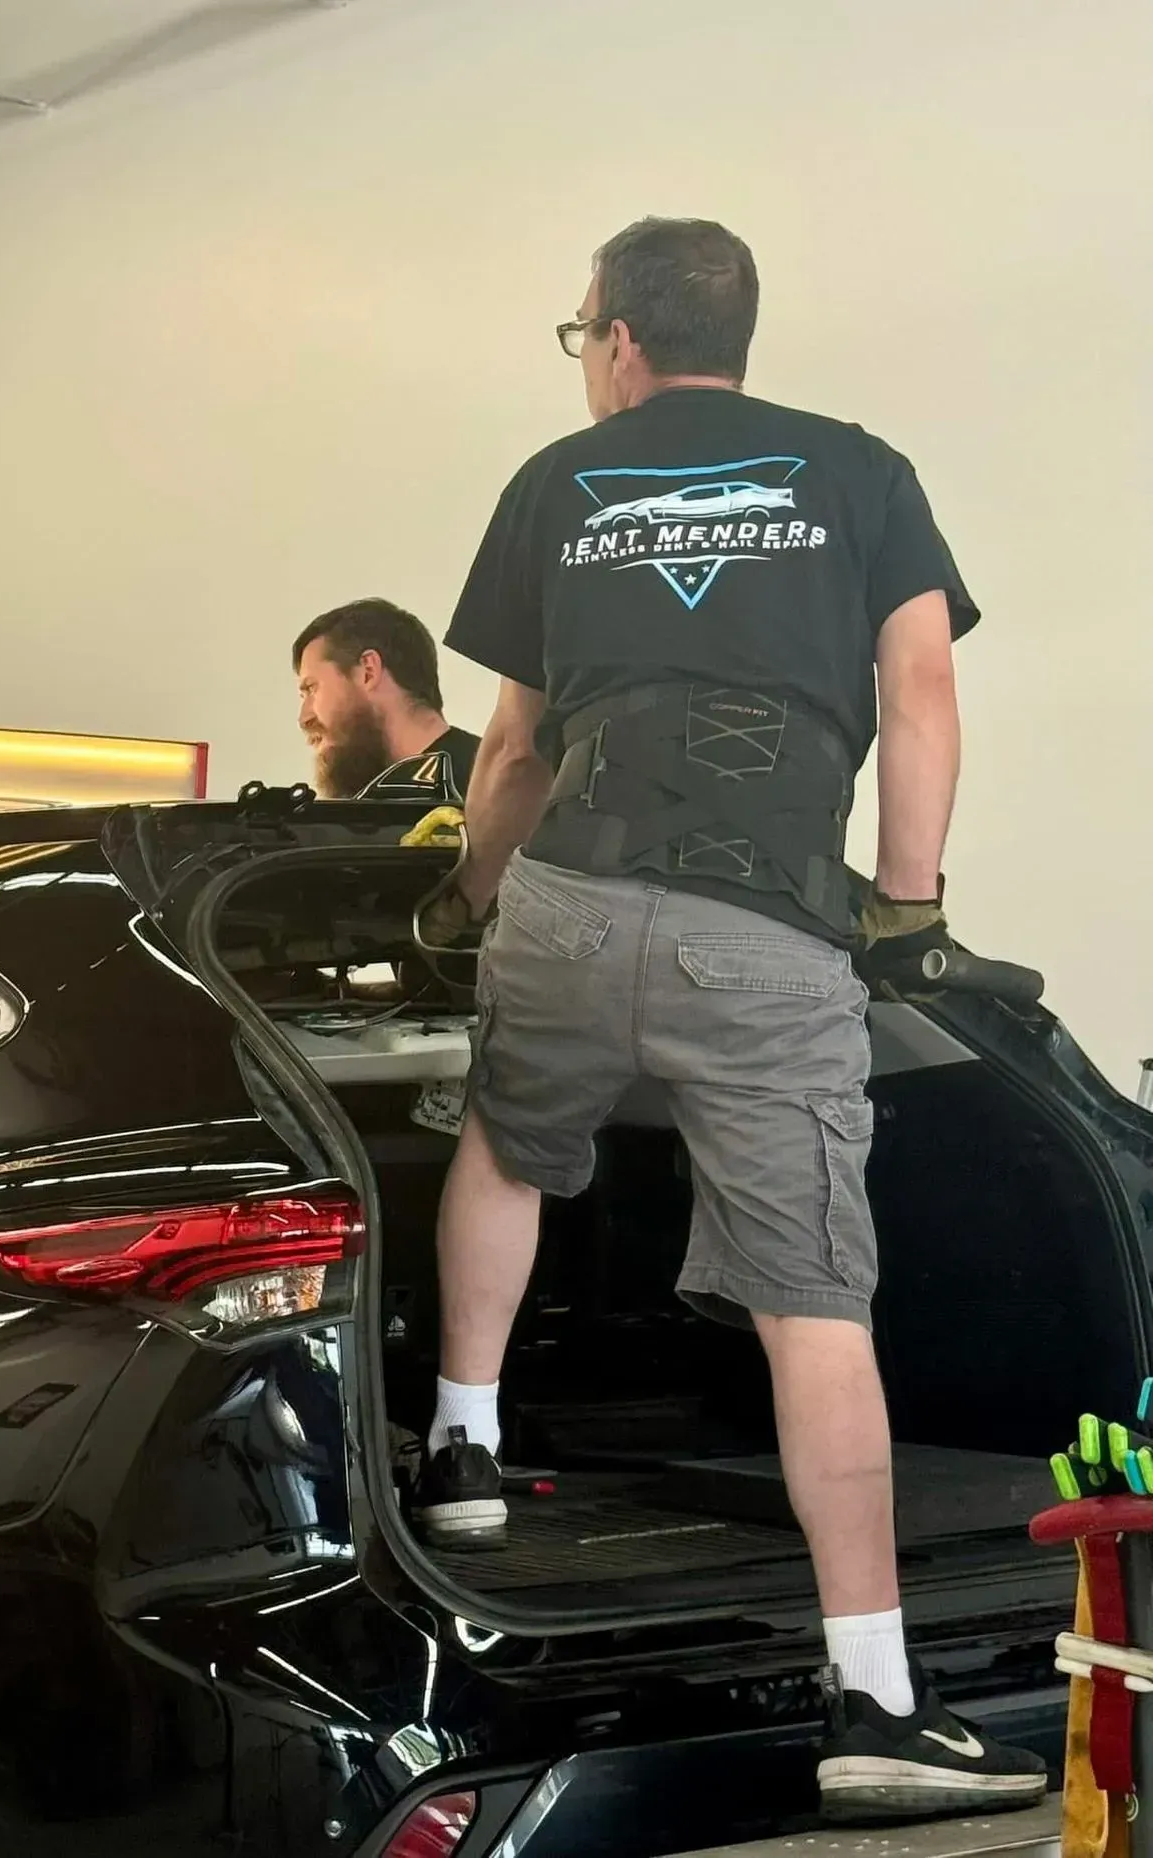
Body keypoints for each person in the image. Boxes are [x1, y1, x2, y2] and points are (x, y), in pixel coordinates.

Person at [415, 217, 1046, 1825]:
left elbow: (509, 748)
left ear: (621, 338)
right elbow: (922, 694)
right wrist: (907, 904)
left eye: (579, 336)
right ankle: (874, 1701)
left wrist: (469, 903)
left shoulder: (565, 481)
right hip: (763, 924)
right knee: (812, 1296)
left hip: (567, 896)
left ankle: (465, 1454)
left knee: (506, 1137)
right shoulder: (861, 472)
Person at [293, 599, 480, 801]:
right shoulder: (495, 774)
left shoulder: (498, 786)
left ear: (368, 671)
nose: (304, 718)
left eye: (312, 688)